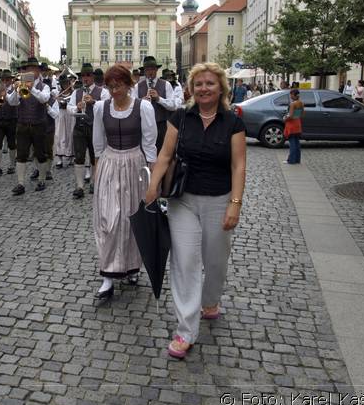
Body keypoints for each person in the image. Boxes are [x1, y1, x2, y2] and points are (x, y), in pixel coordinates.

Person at [145, 62, 246, 359]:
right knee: (185, 261)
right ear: (191, 88)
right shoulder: (181, 117)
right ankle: (186, 329)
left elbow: (238, 165)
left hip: (219, 198)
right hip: (183, 199)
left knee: (215, 260)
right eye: (199, 84)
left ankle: (211, 301)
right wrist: (153, 186)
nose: (204, 88)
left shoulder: (233, 121)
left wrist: (235, 204)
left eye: (210, 84)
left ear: (221, 88)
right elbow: (165, 154)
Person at [93, 64, 157, 299]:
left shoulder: (144, 107)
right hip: (110, 163)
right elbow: (98, 144)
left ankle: (132, 267)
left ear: (128, 85)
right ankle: (108, 276)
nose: (114, 91)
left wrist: (153, 179)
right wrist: (98, 174)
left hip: (134, 165)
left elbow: (150, 146)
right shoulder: (101, 107)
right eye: (110, 86)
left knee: (132, 219)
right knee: (108, 219)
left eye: (118, 85)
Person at [7, 57, 52, 195]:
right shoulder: (20, 85)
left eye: (34, 69)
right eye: (28, 69)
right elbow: (12, 103)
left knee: (40, 154)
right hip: (23, 124)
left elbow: (44, 99)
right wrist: (16, 91)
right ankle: (20, 183)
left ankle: (42, 180)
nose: (31, 71)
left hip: (39, 124)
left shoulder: (45, 86)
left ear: (38, 71)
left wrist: (31, 88)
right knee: (21, 155)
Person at [68, 63, 109, 199]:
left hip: (95, 127)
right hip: (79, 127)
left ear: (93, 77)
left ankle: (93, 182)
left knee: (94, 156)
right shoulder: (76, 92)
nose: (85, 78)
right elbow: (69, 108)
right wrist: (77, 108)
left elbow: (107, 107)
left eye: (88, 75)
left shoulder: (102, 91)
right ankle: (79, 186)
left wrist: (93, 102)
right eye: (83, 76)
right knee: (79, 156)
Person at [136, 56, 176, 152]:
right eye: (147, 69)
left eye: (153, 69)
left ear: (157, 70)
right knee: (144, 152)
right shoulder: (137, 86)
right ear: (144, 71)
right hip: (143, 125)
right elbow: (132, 106)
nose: (150, 72)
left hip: (161, 125)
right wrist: (141, 102)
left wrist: (159, 99)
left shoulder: (166, 84)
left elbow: (173, 105)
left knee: (161, 151)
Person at [0, 70, 18, 177]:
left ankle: (12, 165)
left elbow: (14, 102)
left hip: (11, 119)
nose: (5, 81)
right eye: (3, 80)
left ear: (11, 80)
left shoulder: (16, 89)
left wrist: (6, 95)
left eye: (7, 79)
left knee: (11, 143)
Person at [54, 72, 76, 169]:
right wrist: (58, 100)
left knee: (70, 134)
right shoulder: (59, 93)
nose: (65, 85)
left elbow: (74, 104)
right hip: (62, 114)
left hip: (70, 115)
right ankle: (59, 158)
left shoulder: (73, 93)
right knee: (60, 135)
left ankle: (71, 156)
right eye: (63, 84)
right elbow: (57, 105)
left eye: (66, 83)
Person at [283, 88, 304, 165]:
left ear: (293, 95)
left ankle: (291, 160)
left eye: (291, 94)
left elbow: (290, 116)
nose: (290, 96)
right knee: (297, 143)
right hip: (297, 123)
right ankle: (297, 159)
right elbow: (302, 114)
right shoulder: (301, 103)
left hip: (291, 125)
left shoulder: (292, 104)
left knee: (292, 143)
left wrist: (285, 118)